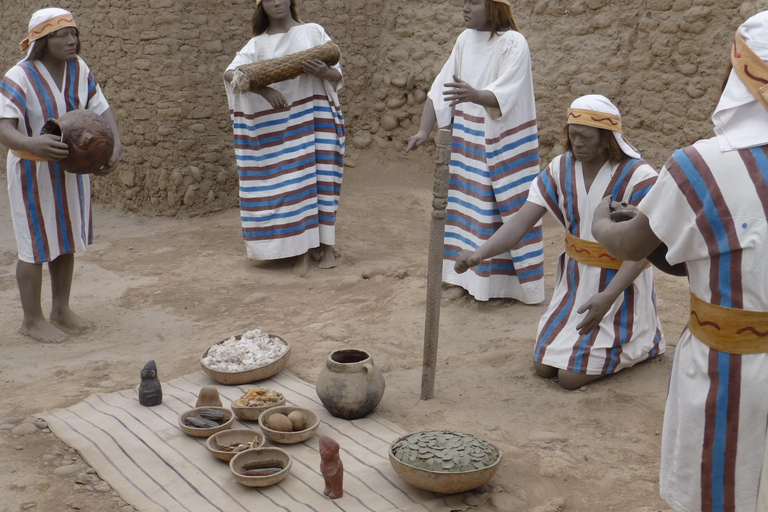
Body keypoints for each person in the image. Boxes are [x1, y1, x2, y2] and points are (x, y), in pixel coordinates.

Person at [592, 12, 768, 511]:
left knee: (720, 486)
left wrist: (603, 221)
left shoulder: (701, 165)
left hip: (728, 368)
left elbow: (631, 244)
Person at [455, 95, 665, 389]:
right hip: (575, 284)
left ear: (607, 139)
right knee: (543, 368)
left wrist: (608, 297)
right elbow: (519, 223)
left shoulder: (639, 176)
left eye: (586, 137)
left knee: (570, 378)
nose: (577, 143)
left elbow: (646, 250)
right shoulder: (559, 169)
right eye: (572, 135)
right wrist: (480, 254)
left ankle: (644, 341)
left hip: (620, 287)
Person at [405, 0, 544, 304]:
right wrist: (423, 131)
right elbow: (441, 87)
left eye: (474, 2)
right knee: (466, 208)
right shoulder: (464, 40)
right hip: (468, 142)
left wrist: (475, 95)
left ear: (494, 8)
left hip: (502, 144)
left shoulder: (513, 43)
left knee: (497, 209)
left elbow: (508, 90)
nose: (465, 8)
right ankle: (463, 278)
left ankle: (499, 287)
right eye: (464, 2)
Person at [0, 7, 122, 344]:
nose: (72, 41)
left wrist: (115, 147)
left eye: (73, 34)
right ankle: (31, 319)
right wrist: (32, 143)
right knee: (35, 242)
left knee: (65, 238)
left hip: (72, 168)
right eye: (61, 35)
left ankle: (60, 308)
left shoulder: (79, 70)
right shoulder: (19, 76)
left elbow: (103, 110)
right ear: (41, 40)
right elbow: (4, 129)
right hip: (31, 170)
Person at [223, 0, 345, 277]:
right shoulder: (258, 45)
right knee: (296, 185)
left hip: (318, 119)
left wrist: (323, 72)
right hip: (285, 128)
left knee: (324, 180)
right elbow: (231, 73)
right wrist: (262, 89)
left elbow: (338, 72)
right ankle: (300, 250)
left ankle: (326, 246)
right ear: (261, 6)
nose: (276, 2)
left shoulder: (313, 33)